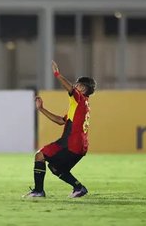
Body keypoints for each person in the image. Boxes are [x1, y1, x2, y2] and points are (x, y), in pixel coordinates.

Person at [24, 61, 96, 198]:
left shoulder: (79, 99)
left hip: (71, 143)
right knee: (56, 168)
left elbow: (70, 89)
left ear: (84, 89)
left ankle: (39, 191)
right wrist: (41, 109)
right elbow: (60, 121)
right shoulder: (81, 106)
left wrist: (57, 74)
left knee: (40, 155)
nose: (75, 86)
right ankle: (79, 188)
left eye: (78, 84)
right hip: (80, 146)